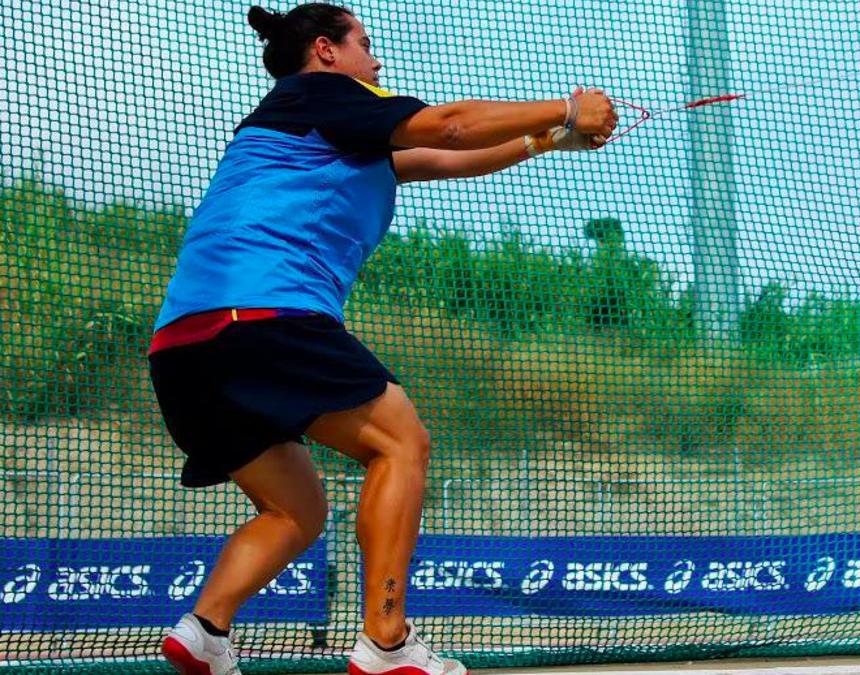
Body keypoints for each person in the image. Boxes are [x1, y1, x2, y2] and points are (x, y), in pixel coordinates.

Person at [149, 4, 617, 674]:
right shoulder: (329, 93)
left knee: (296, 508)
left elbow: (443, 158)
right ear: (326, 50)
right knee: (401, 440)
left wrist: (549, 138)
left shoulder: (310, 126)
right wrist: (567, 107)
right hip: (264, 314)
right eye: (365, 44)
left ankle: (205, 630)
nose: (377, 60)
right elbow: (452, 126)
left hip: (184, 348)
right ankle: (387, 641)